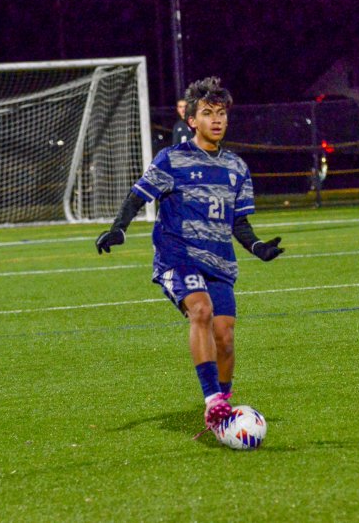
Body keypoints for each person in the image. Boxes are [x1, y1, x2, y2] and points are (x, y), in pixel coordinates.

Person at [95, 77, 284, 435]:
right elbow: (139, 195)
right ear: (192, 121)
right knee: (201, 310)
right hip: (177, 256)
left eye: (222, 114)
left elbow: (239, 221)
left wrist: (258, 247)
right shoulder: (173, 159)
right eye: (208, 113)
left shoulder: (236, 168)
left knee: (225, 337)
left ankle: (224, 406)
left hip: (220, 262)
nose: (217, 120)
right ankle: (213, 404)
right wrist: (119, 228)